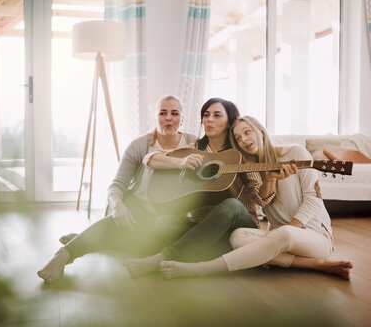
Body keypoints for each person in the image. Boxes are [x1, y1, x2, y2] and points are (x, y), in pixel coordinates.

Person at [158, 116, 353, 280]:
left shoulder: (294, 152)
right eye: (238, 138)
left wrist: (289, 228)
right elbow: (262, 202)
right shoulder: (250, 168)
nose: (244, 139)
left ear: (260, 130)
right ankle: (314, 265)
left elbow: (314, 200)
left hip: (313, 236)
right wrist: (268, 179)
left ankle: (202, 268)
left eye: (247, 132)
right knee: (237, 236)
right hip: (277, 236)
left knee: (284, 235)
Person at [123, 99, 297, 277]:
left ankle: (161, 258)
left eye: (216, 115)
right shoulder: (197, 148)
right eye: (206, 115)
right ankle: (204, 254)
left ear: (229, 122)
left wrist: (269, 179)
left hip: (237, 226)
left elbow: (260, 199)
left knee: (232, 205)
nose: (209, 120)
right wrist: (180, 162)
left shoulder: (239, 154)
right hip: (202, 225)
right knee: (163, 222)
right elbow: (149, 159)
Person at [37, 95, 198, 284]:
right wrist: (117, 204)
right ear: (156, 117)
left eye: (174, 113)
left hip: (166, 214)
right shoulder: (140, 145)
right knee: (126, 226)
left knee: (146, 245)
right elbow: (117, 184)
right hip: (137, 204)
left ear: (182, 119)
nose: (168, 118)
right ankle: (65, 254)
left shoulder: (193, 144)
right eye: (163, 113)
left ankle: (90, 238)